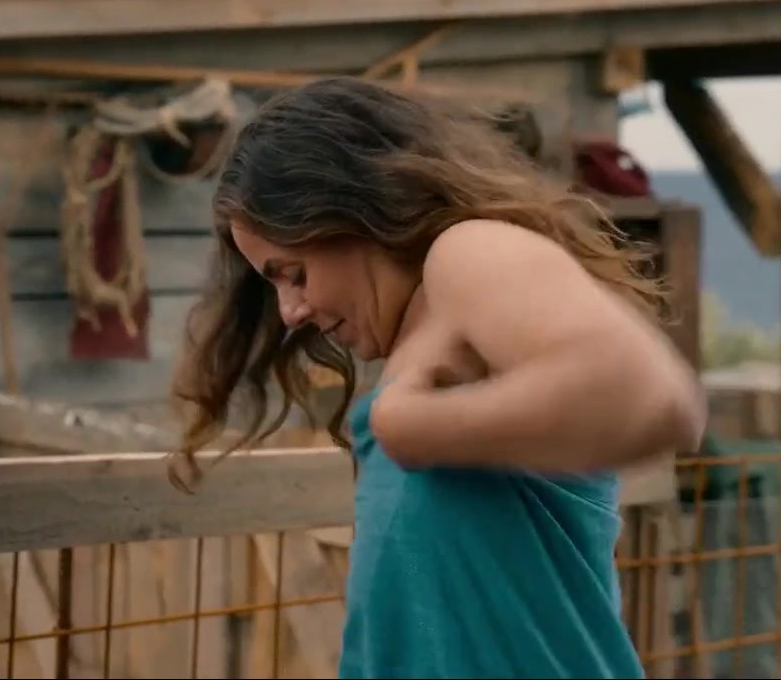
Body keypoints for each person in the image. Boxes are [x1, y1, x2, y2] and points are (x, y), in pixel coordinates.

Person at [168, 78, 705, 679]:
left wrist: (414, 426)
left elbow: (643, 394)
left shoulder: (467, 252)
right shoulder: (418, 342)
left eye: (293, 273)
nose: (291, 312)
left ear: (351, 210)